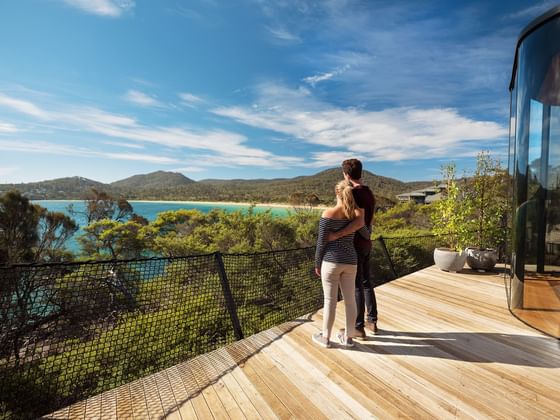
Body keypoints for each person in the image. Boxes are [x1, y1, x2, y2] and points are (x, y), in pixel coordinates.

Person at [328, 159, 377, 338]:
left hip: (355, 245)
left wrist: (336, 235)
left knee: (357, 286)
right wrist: (369, 234)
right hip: (366, 245)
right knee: (366, 283)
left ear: (346, 175)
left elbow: (358, 222)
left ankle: (357, 327)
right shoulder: (369, 192)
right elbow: (369, 220)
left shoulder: (354, 193)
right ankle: (372, 321)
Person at [312, 180, 364, 348]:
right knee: (350, 301)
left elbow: (321, 243)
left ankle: (325, 338)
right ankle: (348, 338)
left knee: (330, 301)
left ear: (337, 193)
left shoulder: (328, 214)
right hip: (351, 261)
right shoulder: (355, 215)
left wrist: (317, 263)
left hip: (331, 261)